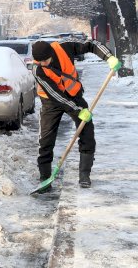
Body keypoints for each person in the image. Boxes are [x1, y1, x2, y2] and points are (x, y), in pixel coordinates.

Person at [31, 39, 120, 192]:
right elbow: (56, 96)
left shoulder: (63, 48)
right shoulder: (38, 69)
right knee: (45, 141)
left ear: (50, 54)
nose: (43, 63)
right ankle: (45, 179)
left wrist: (109, 57)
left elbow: (91, 44)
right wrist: (78, 111)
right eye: (40, 61)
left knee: (87, 133)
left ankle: (84, 175)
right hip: (50, 102)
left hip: (74, 95)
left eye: (45, 60)